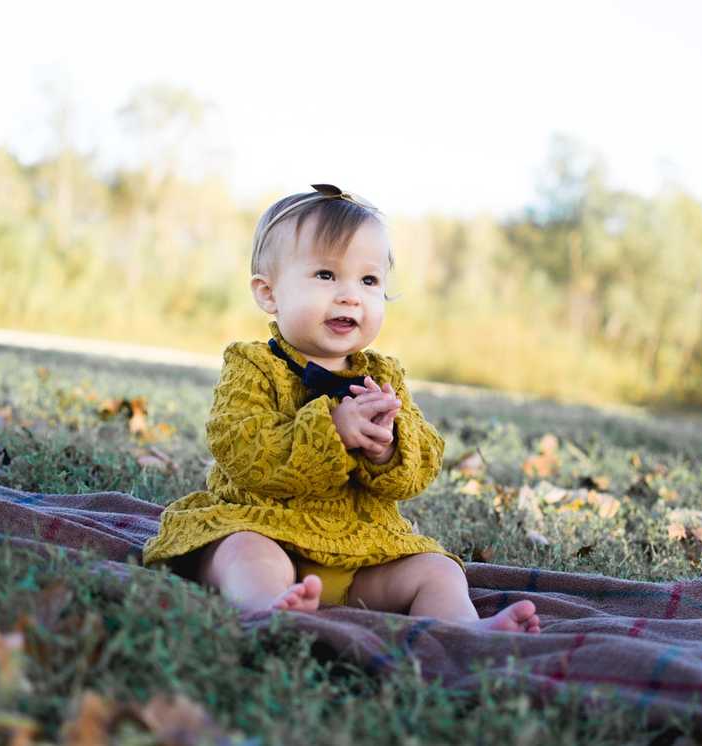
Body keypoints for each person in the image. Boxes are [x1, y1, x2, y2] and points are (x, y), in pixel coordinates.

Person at [143, 184, 539, 634]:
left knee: (438, 570)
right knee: (242, 553)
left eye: (368, 281)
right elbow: (242, 447)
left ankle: (465, 630)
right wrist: (331, 430)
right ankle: (268, 609)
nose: (350, 295)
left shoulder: (383, 376)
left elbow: (423, 462)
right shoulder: (252, 365)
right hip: (266, 527)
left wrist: (388, 447)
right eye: (327, 276)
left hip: (361, 552)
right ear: (269, 293)